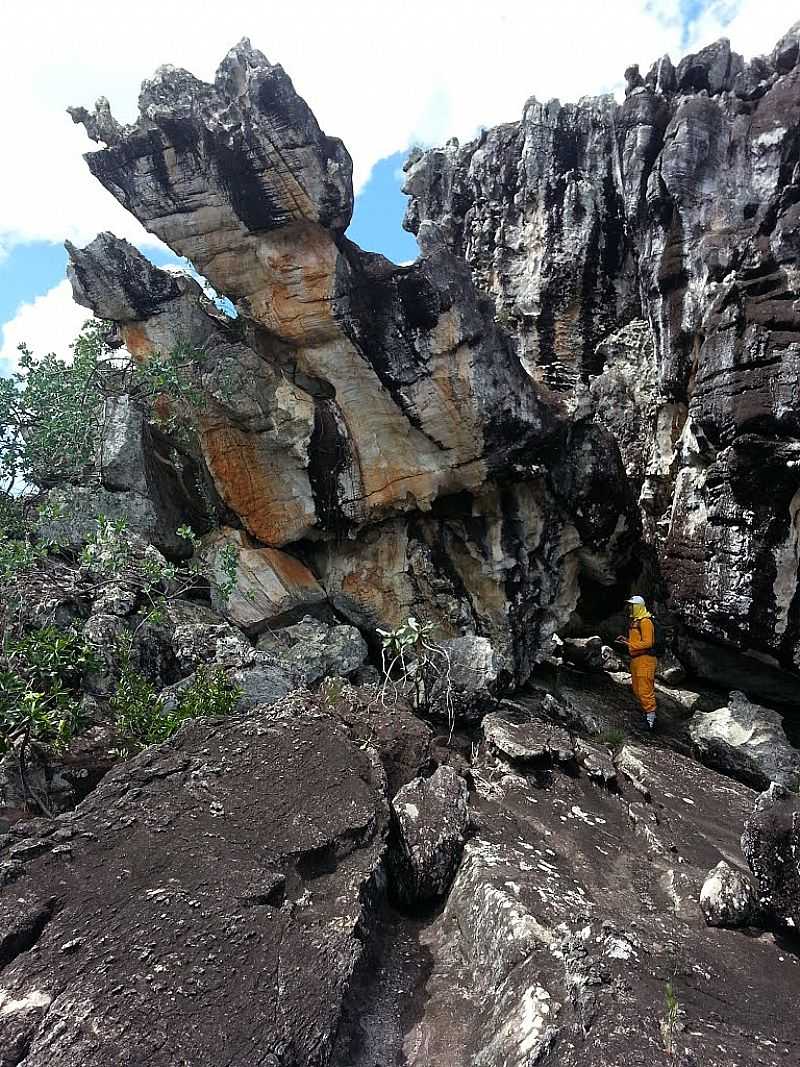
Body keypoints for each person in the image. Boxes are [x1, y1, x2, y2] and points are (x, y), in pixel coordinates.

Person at [615, 595, 657, 730]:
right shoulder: (636, 621)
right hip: (637, 659)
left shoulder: (645, 622)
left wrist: (629, 644)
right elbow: (638, 640)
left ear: (639, 607)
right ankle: (648, 714)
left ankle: (651, 721)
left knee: (645, 689)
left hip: (645, 659)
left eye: (632, 605)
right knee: (637, 689)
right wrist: (626, 641)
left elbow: (648, 642)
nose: (630, 607)